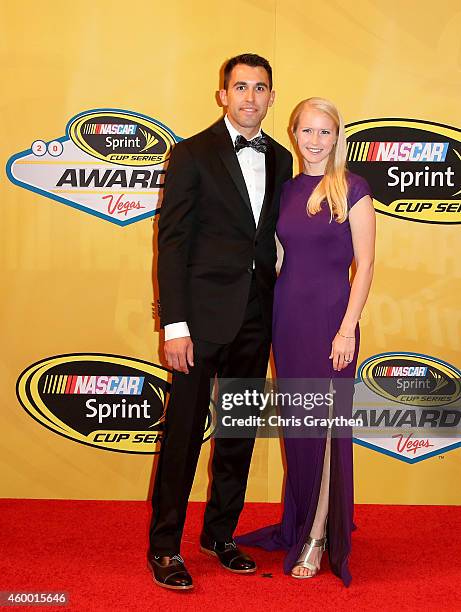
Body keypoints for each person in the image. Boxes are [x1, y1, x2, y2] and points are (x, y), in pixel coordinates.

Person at [148, 53, 293, 590]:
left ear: (272, 98)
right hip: (200, 323)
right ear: (222, 95)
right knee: (183, 436)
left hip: (258, 318)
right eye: (240, 87)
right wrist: (175, 325)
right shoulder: (191, 153)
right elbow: (172, 242)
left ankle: (220, 534)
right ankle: (164, 546)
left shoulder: (281, 158)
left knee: (238, 435)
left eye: (260, 88)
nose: (250, 97)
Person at [236, 97, 375, 586]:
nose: (314, 141)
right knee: (300, 427)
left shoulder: (353, 189)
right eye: (306, 131)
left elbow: (366, 267)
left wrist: (346, 328)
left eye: (324, 132)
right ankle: (304, 518)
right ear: (294, 134)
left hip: (331, 323)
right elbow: (277, 255)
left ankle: (317, 534)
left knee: (325, 427)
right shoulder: (288, 190)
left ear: (337, 138)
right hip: (288, 318)